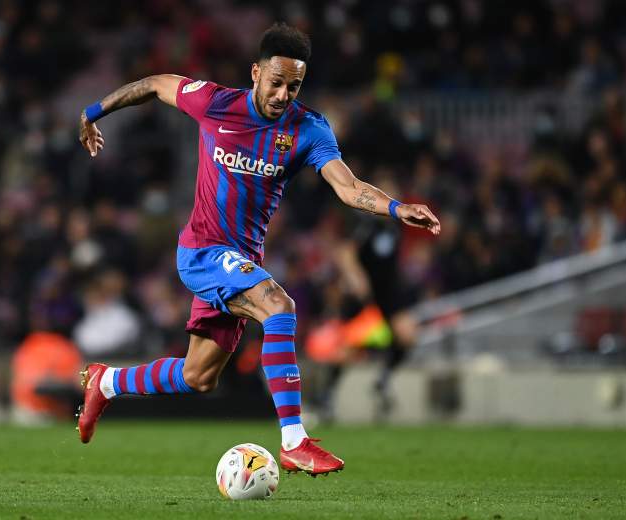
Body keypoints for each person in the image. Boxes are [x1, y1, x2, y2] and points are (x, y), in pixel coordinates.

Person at [76, 23, 440, 476]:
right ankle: (294, 441)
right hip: (204, 251)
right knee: (279, 305)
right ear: (255, 73)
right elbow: (153, 84)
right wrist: (92, 112)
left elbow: (347, 187)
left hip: (241, 260)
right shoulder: (215, 103)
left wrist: (395, 206)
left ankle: (106, 381)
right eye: (277, 82)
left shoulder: (308, 128)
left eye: (294, 85)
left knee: (199, 376)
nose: (284, 94)